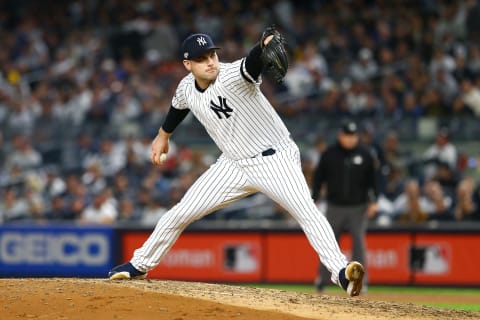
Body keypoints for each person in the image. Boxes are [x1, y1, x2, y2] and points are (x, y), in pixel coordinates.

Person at [108, 30, 365, 297]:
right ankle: (140, 264)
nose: (210, 62)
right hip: (232, 165)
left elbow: (251, 63)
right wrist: (163, 135)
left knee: (306, 213)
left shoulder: (231, 76)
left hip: (274, 159)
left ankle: (342, 273)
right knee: (180, 212)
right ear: (188, 65)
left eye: (212, 54)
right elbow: (178, 107)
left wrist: (261, 46)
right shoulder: (186, 87)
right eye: (201, 59)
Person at [311, 120, 378, 293]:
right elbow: (318, 178)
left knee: (359, 244)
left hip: (358, 207)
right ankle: (322, 280)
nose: (350, 139)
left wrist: (374, 201)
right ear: (340, 135)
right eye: (347, 136)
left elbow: (374, 180)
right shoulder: (330, 154)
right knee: (328, 243)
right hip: (335, 206)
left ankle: (361, 281)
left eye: (353, 136)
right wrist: (315, 198)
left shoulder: (365, 154)